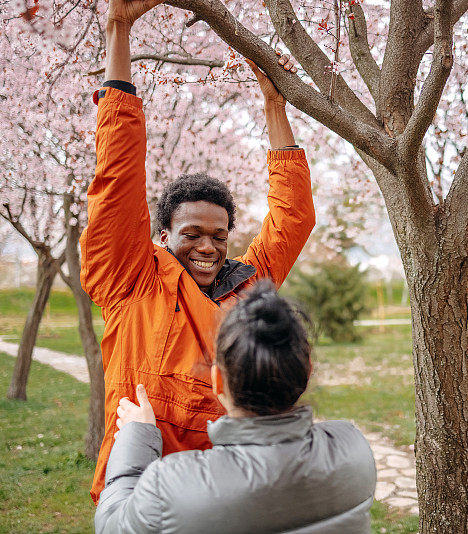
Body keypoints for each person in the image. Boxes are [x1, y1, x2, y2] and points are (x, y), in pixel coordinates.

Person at [80, 0, 316, 503]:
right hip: (147, 494)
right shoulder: (131, 279)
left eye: (219, 234)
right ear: (162, 235)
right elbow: (118, 176)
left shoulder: (248, 284)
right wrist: (119, 27)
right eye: (192, 234)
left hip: (228, 494)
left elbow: (292, 217)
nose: (207, 247)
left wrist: (275, 104)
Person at [94, 283, 377, 533]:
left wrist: (138, 435)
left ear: (217, 381)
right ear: (307, 371)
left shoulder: (171, 486)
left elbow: (111, 523)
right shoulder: (353, 449)